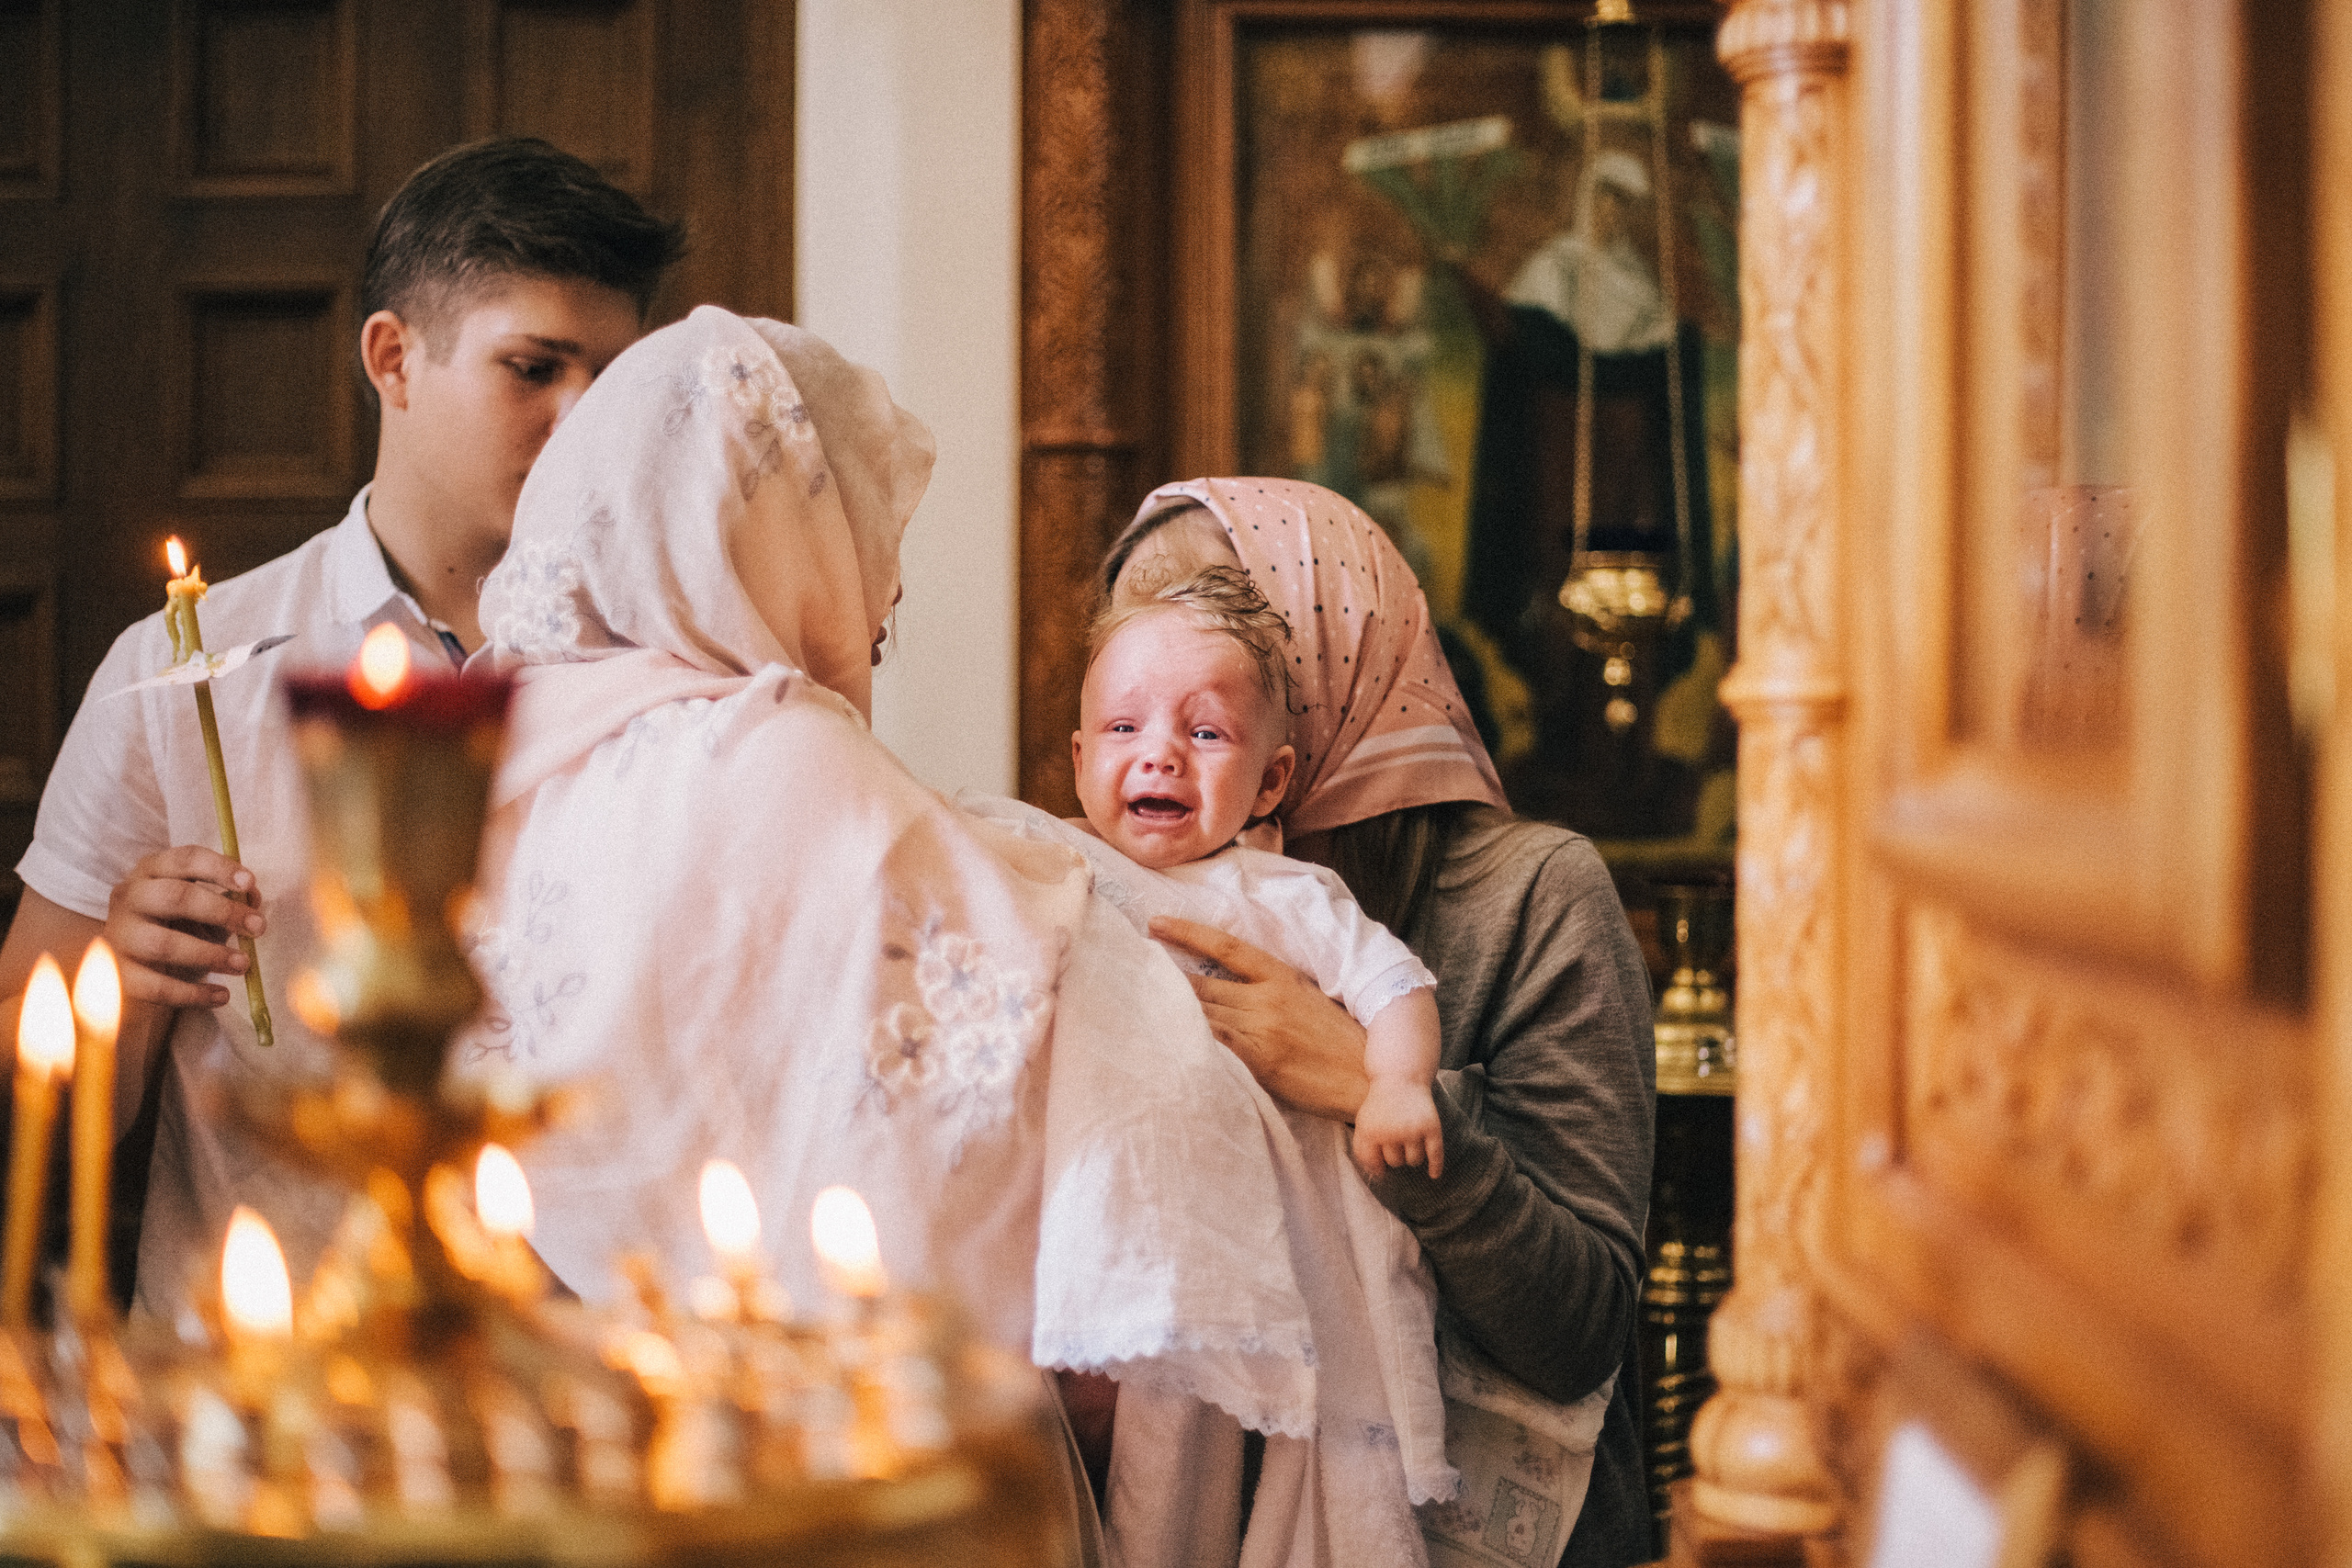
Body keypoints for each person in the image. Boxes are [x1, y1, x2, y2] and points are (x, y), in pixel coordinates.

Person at [463, 307, 1454, 1563]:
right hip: (821, 1415)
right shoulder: (775, 750)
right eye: (868, 541)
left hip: (567, 1384)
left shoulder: (526, 740)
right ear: (771, 528)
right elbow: (1011, 1031)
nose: (884, 592)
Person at [0, 136, 685, 1316]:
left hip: (587, 1388)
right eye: (533, 368)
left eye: (609, 383)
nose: (582, 422)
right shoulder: (178, 676)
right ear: (393, 357)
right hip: (270, 1378)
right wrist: (124, 982)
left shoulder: (670, 670)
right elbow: (31, 1095)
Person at [1101, 478, 1657, 1568]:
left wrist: (1364, 1085)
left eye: (1212, 627)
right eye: (1132, 673)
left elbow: (1577, 1328)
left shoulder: (1533, 898)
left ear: (1327, 659)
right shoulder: (1126, 889)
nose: (1164, 707)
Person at [1061, 564, 1442, 1181]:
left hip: (1253, 1178)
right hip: (1106, 1161)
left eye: (1206, 732)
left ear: (1270, 781)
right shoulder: (1050, 855)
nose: (1159, 755)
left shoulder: (1281, 893)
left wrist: (1397, 1085)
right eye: (1124, 727)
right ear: (1082, 761)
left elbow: (1398, 986)